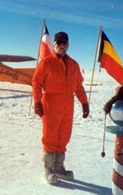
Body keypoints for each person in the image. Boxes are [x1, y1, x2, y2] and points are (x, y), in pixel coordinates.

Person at [32, 32, 89, 184]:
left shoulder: (74, 65)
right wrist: (37, 102)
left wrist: (84, 103)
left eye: (64, 43)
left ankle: (59, 169)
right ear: (54, 44)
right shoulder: (46, 63)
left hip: (67, 105)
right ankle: (49, 170)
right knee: (50, 137)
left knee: (64, 136)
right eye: (58, 43)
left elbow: (78, 86)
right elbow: (36, 83)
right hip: (50, 104)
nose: (61, 45)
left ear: (68, 45)